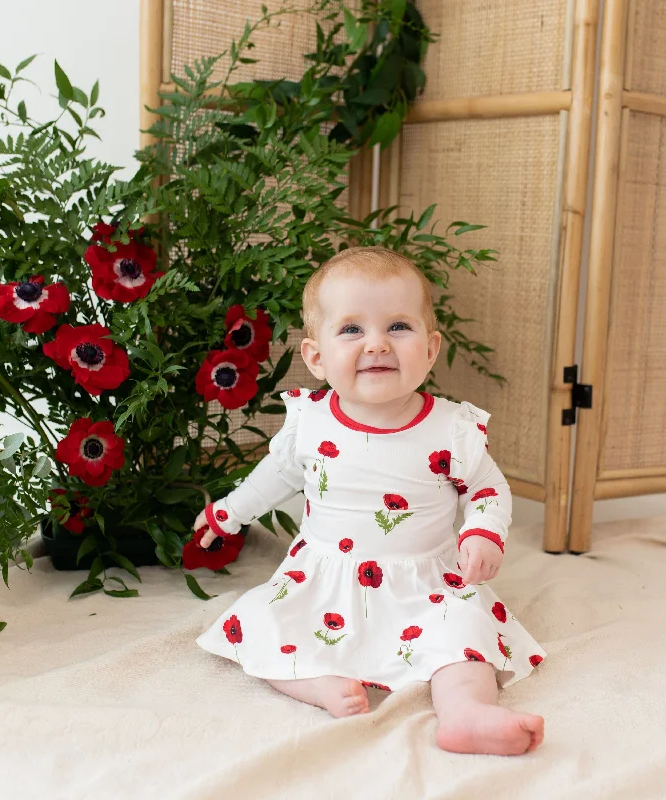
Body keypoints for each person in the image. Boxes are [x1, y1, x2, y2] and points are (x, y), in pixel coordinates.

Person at [193, 246, 546, 755]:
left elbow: (489, 488)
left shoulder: (451, 429)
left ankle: (467, 712)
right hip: (324, 579)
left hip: (426, 582)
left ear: (430, 348)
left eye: (399, 327)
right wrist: (227, 513)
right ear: (316, 358)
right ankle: (316, 685)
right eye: (352, 330)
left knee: (464, 635)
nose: (377, 344)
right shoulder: (310, 423)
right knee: (260, 623)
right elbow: (272, 478)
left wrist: (483, 531)